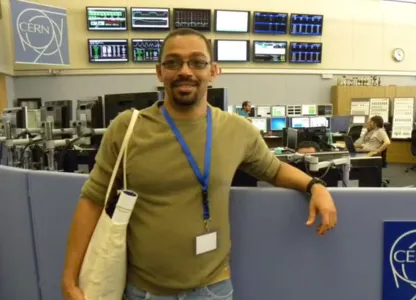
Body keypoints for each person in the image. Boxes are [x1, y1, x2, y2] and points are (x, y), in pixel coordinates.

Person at [61, 28, 337, 300]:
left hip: (212, 289)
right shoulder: (127, 128)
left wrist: (315, 187)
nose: (185, 71)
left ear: (213, 71)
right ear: (160, 72)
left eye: (197, 62)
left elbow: (274, 169)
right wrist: (70, 278)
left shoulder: (236, 130)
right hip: (144, 291)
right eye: (173, 62)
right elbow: (93, 199)